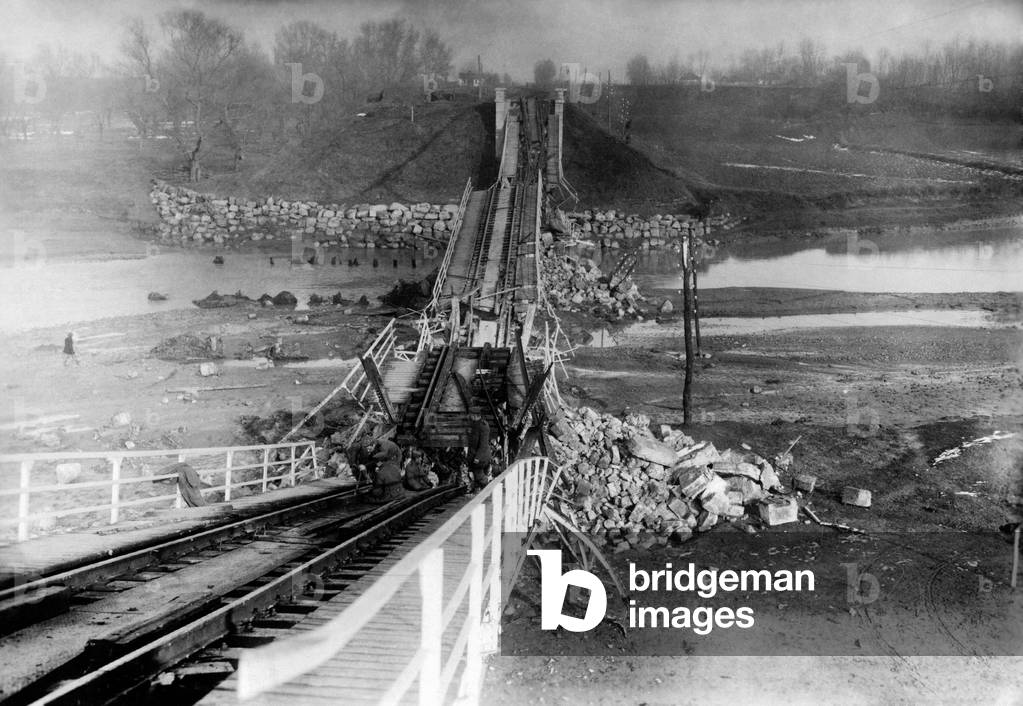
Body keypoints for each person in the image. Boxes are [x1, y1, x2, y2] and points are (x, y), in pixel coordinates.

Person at [369, 437, 404, 503]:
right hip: (399, 492)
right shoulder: (393, 467)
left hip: (389, 494)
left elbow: (377, 492)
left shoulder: (384, 446)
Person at [466, 413, 492, 490]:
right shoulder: (475, 424)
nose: (470, 417)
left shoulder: (483, 426)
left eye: (471, 415)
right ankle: (480, 490)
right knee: (477, 476)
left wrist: (478, 458)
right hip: (475, 455)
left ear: (475, 415)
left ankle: (488, 490)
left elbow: (483, 445)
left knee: (479, 475)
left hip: (481, 457)